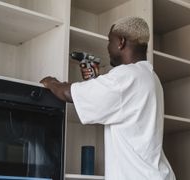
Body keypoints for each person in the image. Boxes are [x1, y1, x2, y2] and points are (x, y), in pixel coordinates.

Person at [40, 17, 175, 180]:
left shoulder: (126, 76)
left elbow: (69, 94)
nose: (107, 47)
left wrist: (51, 82)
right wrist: (92, 85)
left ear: (121, 42)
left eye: (109, 41)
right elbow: (116, 105)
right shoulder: (150, 77)